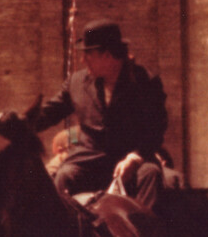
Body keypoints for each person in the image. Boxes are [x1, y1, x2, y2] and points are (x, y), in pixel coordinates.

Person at [28, 21, 170, 207]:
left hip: (133, 159)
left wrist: (134, 158)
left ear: (108, 55)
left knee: (150, 175)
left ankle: (145, 233)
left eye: (88, 54)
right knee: (63, 176)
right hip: (88, 159)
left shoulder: (146, 82)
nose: (83, 60)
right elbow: (50, 113)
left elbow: (156, 129)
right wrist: (20, 125)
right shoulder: (77, 82)